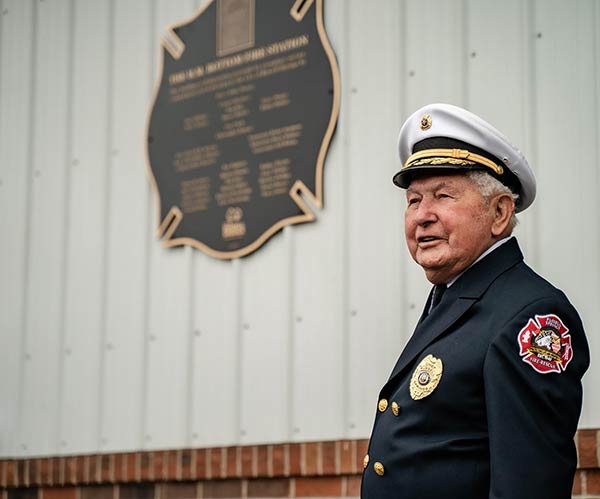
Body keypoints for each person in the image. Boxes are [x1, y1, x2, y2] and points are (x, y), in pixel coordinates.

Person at [361, 103, 590, 499]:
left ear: (499, 213)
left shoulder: (530, 317)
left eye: (442, 195)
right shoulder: (454, 299)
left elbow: (528, 486)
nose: (421, 216)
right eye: (413, 200)